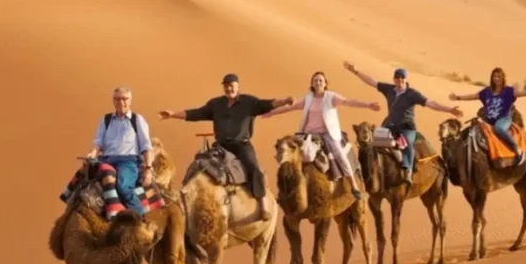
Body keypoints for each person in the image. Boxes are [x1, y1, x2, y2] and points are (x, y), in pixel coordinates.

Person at [157, 73, 294, 220]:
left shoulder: (249, 102)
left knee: (254, 168)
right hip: (221, 146)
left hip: (242, 145)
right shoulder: (216, 104)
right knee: (199, 164)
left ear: (237, 86)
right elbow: (195, 113)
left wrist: (285, 101)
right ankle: (187, 200)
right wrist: (172, 114)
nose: (229, 89)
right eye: (226, 86)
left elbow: (268, 104)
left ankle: (262, 203)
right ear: (223, 87)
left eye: (232, 85)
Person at [260, 71, 381, 200]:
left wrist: (367, 105)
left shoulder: (331, 97)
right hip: (308, 135)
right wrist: (272, 113)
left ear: (325, 84)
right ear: (312, 83)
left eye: (320, 80)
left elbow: (348, 102)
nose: (318, 82)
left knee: (340, 154)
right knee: (288, 153)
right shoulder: (307, 98)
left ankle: (354, 186)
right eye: (315, 80)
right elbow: (290, 107)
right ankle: (285, 189)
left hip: (327, 134)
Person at [343, 61, 463, 187]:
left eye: (402, 77)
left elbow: (430, 103)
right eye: (397, 77)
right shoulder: (389, 89)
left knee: (407, 144)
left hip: (407, 127)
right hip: (390, 126)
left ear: (405, 80)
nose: (399, 79)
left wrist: (449, 110)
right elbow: (372, 82)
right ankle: (370, 172)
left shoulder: (412, 94)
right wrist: (355, 71)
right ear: (394, 79)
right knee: (372, 141)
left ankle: (407, 169)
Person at [86, 86, 154, 215]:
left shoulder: (137, 120)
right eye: (117, 99)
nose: (121, 102)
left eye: (124, 99)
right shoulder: (105, 120)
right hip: (106, 159)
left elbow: (146, 146)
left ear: (130, 100)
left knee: (123, 188)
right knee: (84, 182)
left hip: (128, 161)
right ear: (113, 101)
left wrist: (148, 169)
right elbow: (98, 142)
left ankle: (142, 218)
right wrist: (92, 153)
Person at [449, 67, 526, 156]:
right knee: (471, 130)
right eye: (494, 76)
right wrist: (458, 97)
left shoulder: (508, 91)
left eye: (499, 76)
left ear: (503, 78)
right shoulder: (487, 91)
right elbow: (473, 96)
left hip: (504, 119)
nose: (496, 79)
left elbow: (520, 93)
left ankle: (515, 148)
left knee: (499, 128)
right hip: (488, 120)